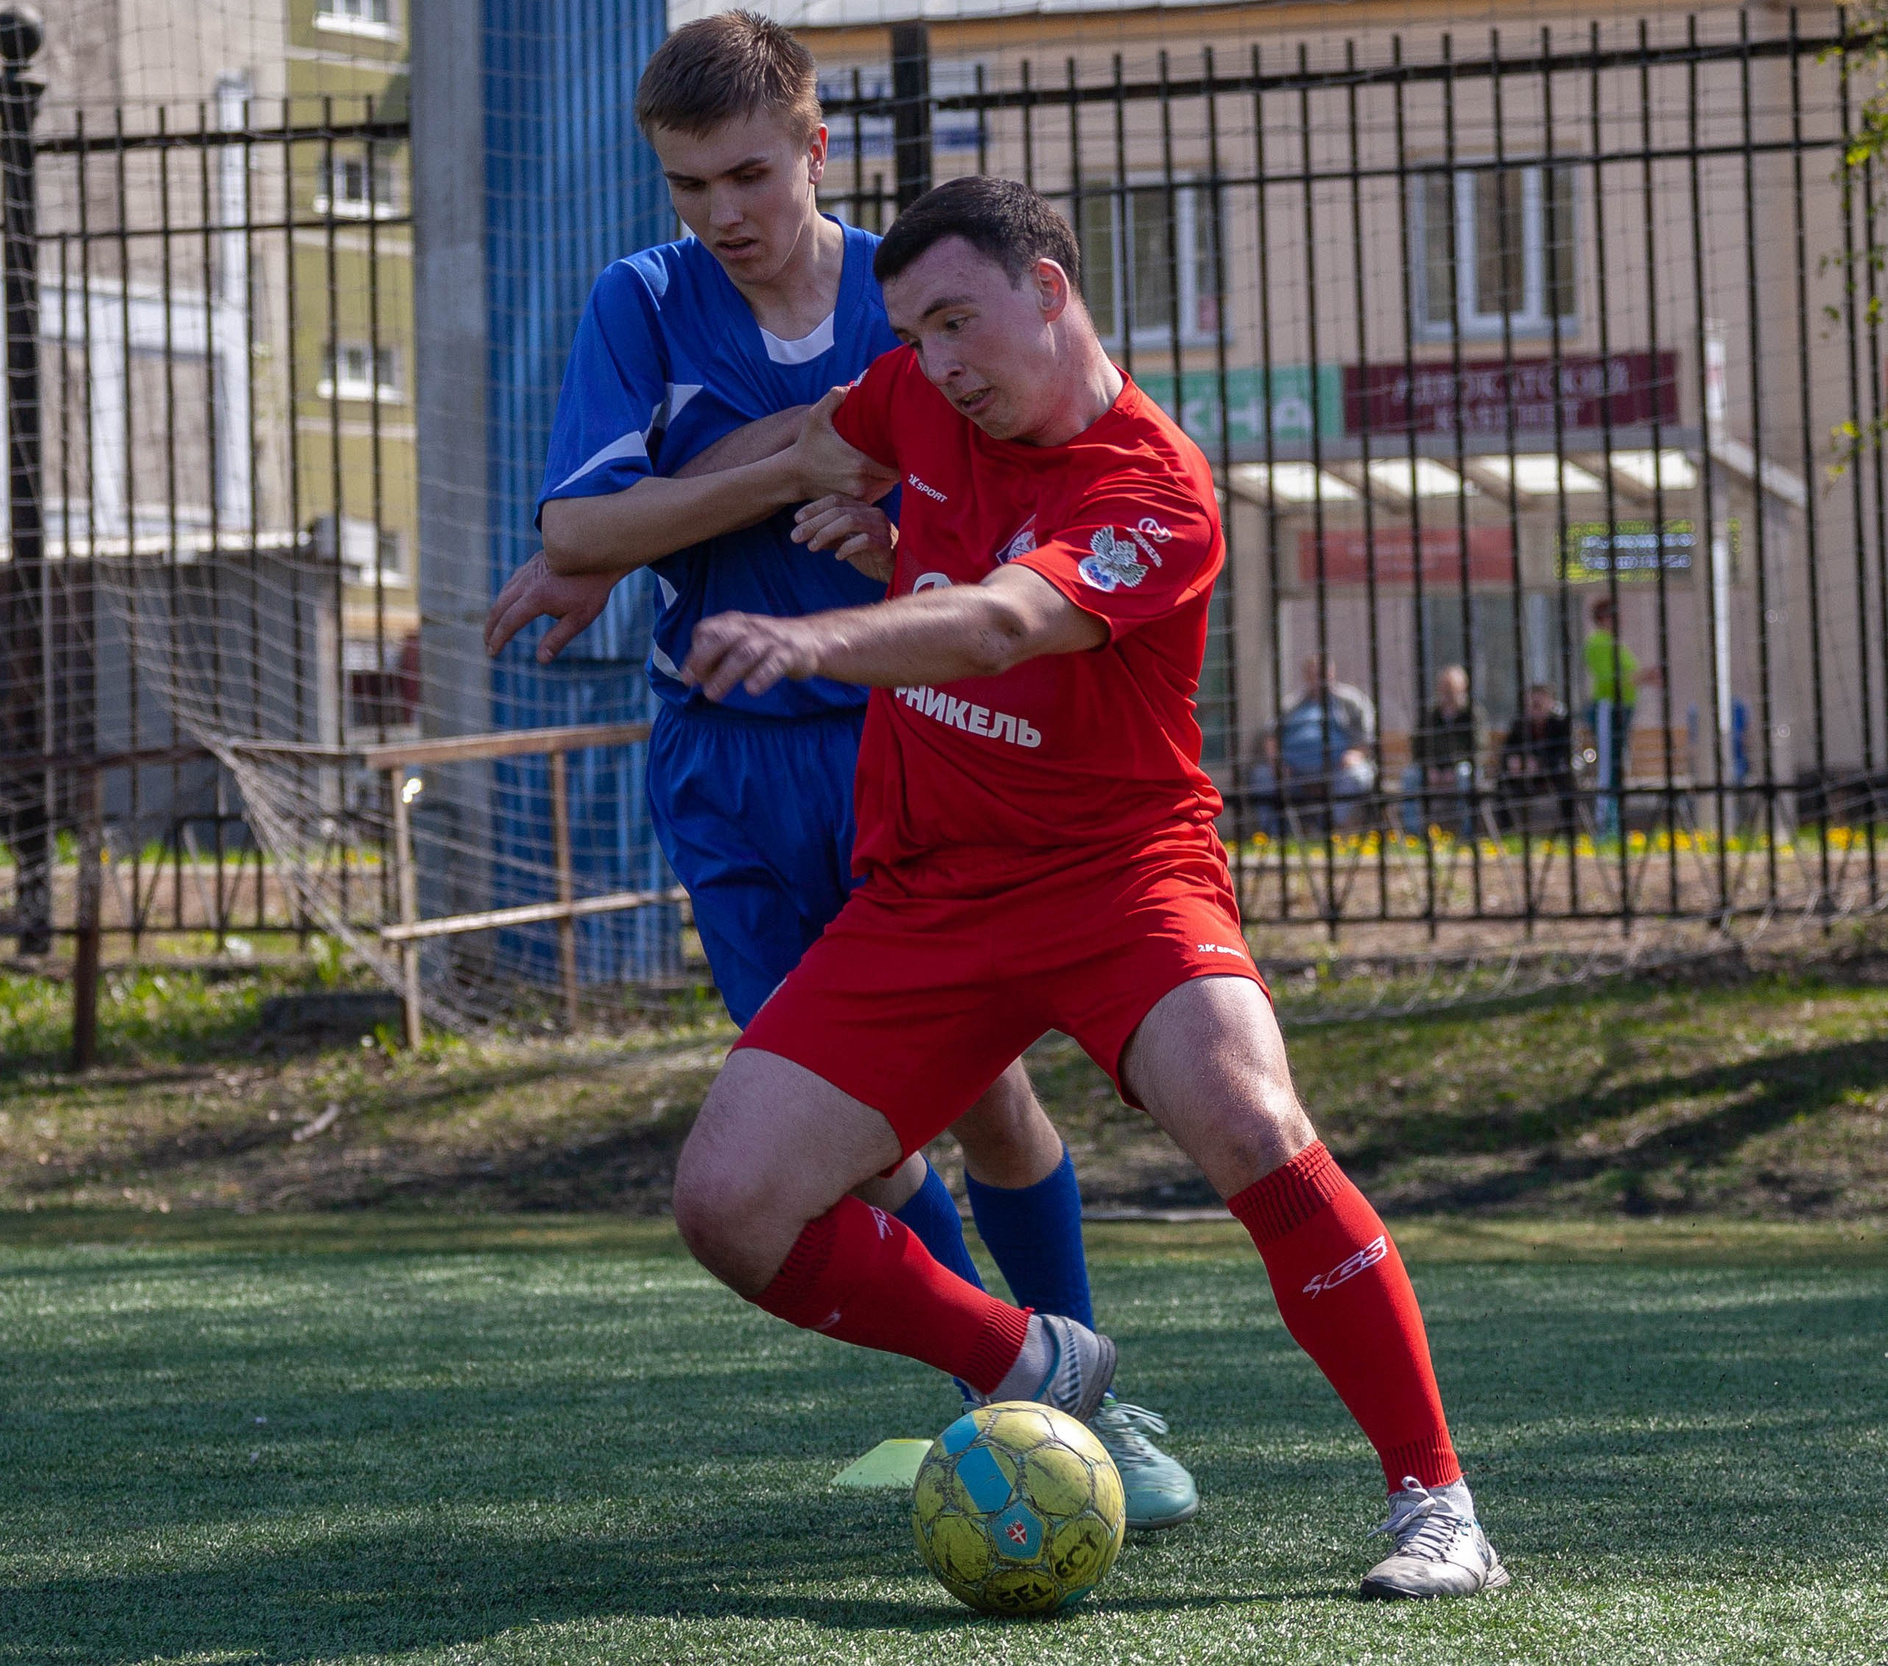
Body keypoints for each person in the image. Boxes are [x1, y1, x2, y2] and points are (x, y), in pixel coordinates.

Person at [671, 176, 1507, 1599]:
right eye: (912, 330)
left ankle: (1438, 1503)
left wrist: (827, 641)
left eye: (958, 322)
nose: (933, 361)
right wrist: (614, 539)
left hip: (1123, 878)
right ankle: (1027, 1355)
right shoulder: (920, 398)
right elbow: (815, 441)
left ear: (1050, 290)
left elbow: (1005, 624)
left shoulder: (1155, 487)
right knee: (728, 1205)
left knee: (1252, 1116)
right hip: (930, 891)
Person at [481, 12, 1196, 1523]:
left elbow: (1008, 521)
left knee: (989, 1090)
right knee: (846, 1142)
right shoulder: (645, 301)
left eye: (747, 173)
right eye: (686, 187)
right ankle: (1011, 1381)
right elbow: (579, 531)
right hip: (724, 763)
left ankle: (1095, 1402)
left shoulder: (911, 297)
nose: (721, 216)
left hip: (904, 743)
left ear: (816, 144)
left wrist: (866, 539)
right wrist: (781, 474)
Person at [1248, 656, 1377, 834]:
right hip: (1293, 774)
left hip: (1338, 769)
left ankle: (1332, 831)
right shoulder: (1291, 704)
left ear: (1332, 673)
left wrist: (1355, 754)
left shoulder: (1351, 701)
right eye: (1313, 673)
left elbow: (1367, 737)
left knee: (1356, 775)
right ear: (1306, 676)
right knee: (1262, 776)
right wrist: (1276, 763)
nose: (1318, 678)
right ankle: (1275, 836)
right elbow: (1271, 736)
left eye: (1323, 673)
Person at [1583, 597, 1660, 837]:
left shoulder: (1614, 643)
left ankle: (1612, 823)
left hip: (1622, 710)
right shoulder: (1598, 642)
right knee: (1608, 766)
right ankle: (1604, 826)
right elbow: (1609, 680)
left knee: (1616, 765)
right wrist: (1643, 677)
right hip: (1608, 709)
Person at [1401, 665, 1482, 836]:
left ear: (1463, 688)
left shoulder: (1472, 714)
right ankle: (1413, 834)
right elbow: (1418, 747)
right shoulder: (1430, 715)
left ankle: (1466, 834)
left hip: (1461, 768)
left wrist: (1452, 768)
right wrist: (1429, 768)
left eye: (1452, 687)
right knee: (1410, 776)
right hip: (1433, 770)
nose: (1448, 692)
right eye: (1444, 687)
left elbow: (1479, 748)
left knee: (1465, 774)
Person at [1498, 684, 1576, 834]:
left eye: (1539, 704)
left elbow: (1564, 755)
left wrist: (1539, 763)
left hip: (1553, 775)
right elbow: (1507, 752)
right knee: (1502, 784)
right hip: (1525, 776)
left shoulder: (1560, 724)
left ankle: (1567, 833)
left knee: (1567, 785)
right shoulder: (1520, 725)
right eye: (1532, 704)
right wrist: (1515, 761)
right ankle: (1506, 832)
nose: (1535, 708)